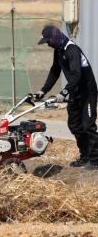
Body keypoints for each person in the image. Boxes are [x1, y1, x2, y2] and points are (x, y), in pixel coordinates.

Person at [31, 25, 98, 168]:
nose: (48, 44)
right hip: (75, 91)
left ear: (55, 38)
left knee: (88, 125)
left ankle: (95, 160)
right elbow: (55, 71)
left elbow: (76, 75)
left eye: (48, 41)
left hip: (87, 92)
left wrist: (64, 92)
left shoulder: (72, 50)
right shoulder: (59, 50)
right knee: (74, 125)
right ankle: (85, 156)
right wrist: (44, 90)